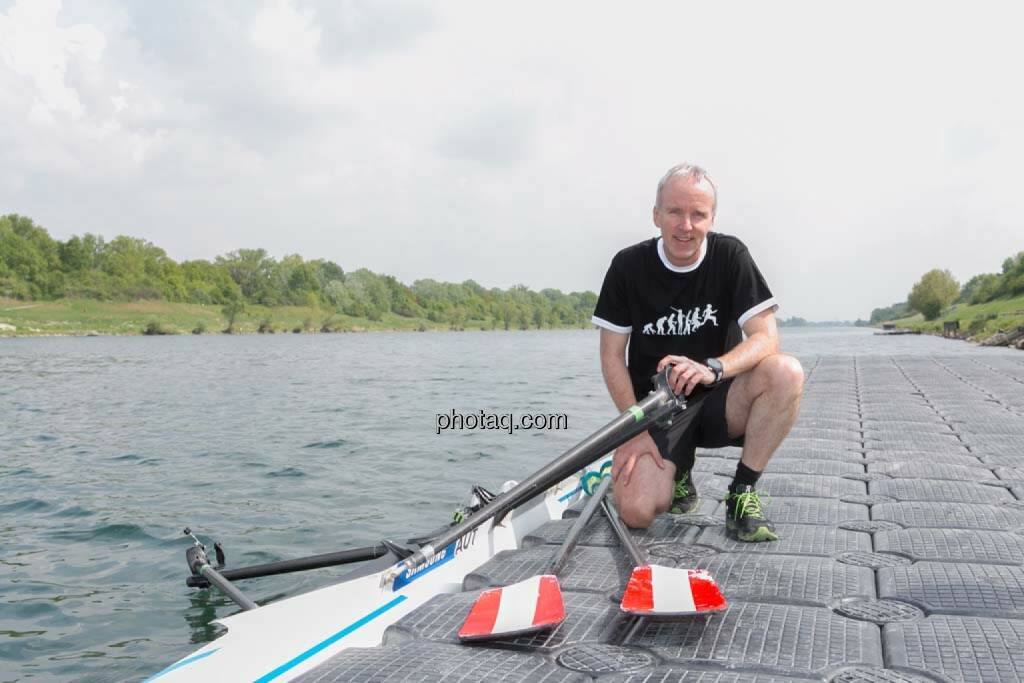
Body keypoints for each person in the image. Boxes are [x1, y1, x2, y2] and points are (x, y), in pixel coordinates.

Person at [592, 163, 804, 542]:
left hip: (720, 401)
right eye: (674, 211)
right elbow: (611, 357)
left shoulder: (731, 255)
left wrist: (714, 368)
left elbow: (766, 338)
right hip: (658, 411)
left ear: (711, 218)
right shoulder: (627, 266)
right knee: (637, 512)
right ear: (656, 215)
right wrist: (634, 430)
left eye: (697, 214)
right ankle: (680, 475)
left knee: (786, 371)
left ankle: (742, 493)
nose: (685, 225)